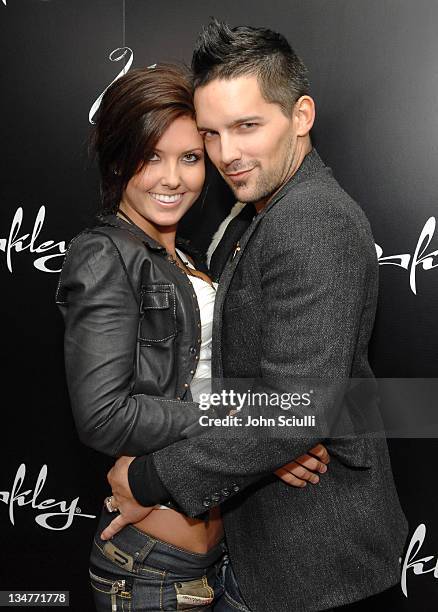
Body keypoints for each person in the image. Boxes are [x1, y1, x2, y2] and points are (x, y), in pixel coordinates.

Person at [105, 21, 409, 611]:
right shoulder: (256, 213)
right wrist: (289, 428)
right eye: (212, 134)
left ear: (301, 115)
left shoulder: (310, 219)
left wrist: (149, 478)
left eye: (248, 127)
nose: (227, 155)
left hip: (311, 561)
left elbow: (296, 404)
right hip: (269, 544)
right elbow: (294, 394)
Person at [55, 63, 330, 611]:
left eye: (189, 158)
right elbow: (104, 417)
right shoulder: (107, 254)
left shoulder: (184, 258)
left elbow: (195, 386)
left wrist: (266, 441)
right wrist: (243, 424)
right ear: (118, 160)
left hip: (214, 559)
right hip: (149, 568)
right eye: (151, 157)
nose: (172, 179)